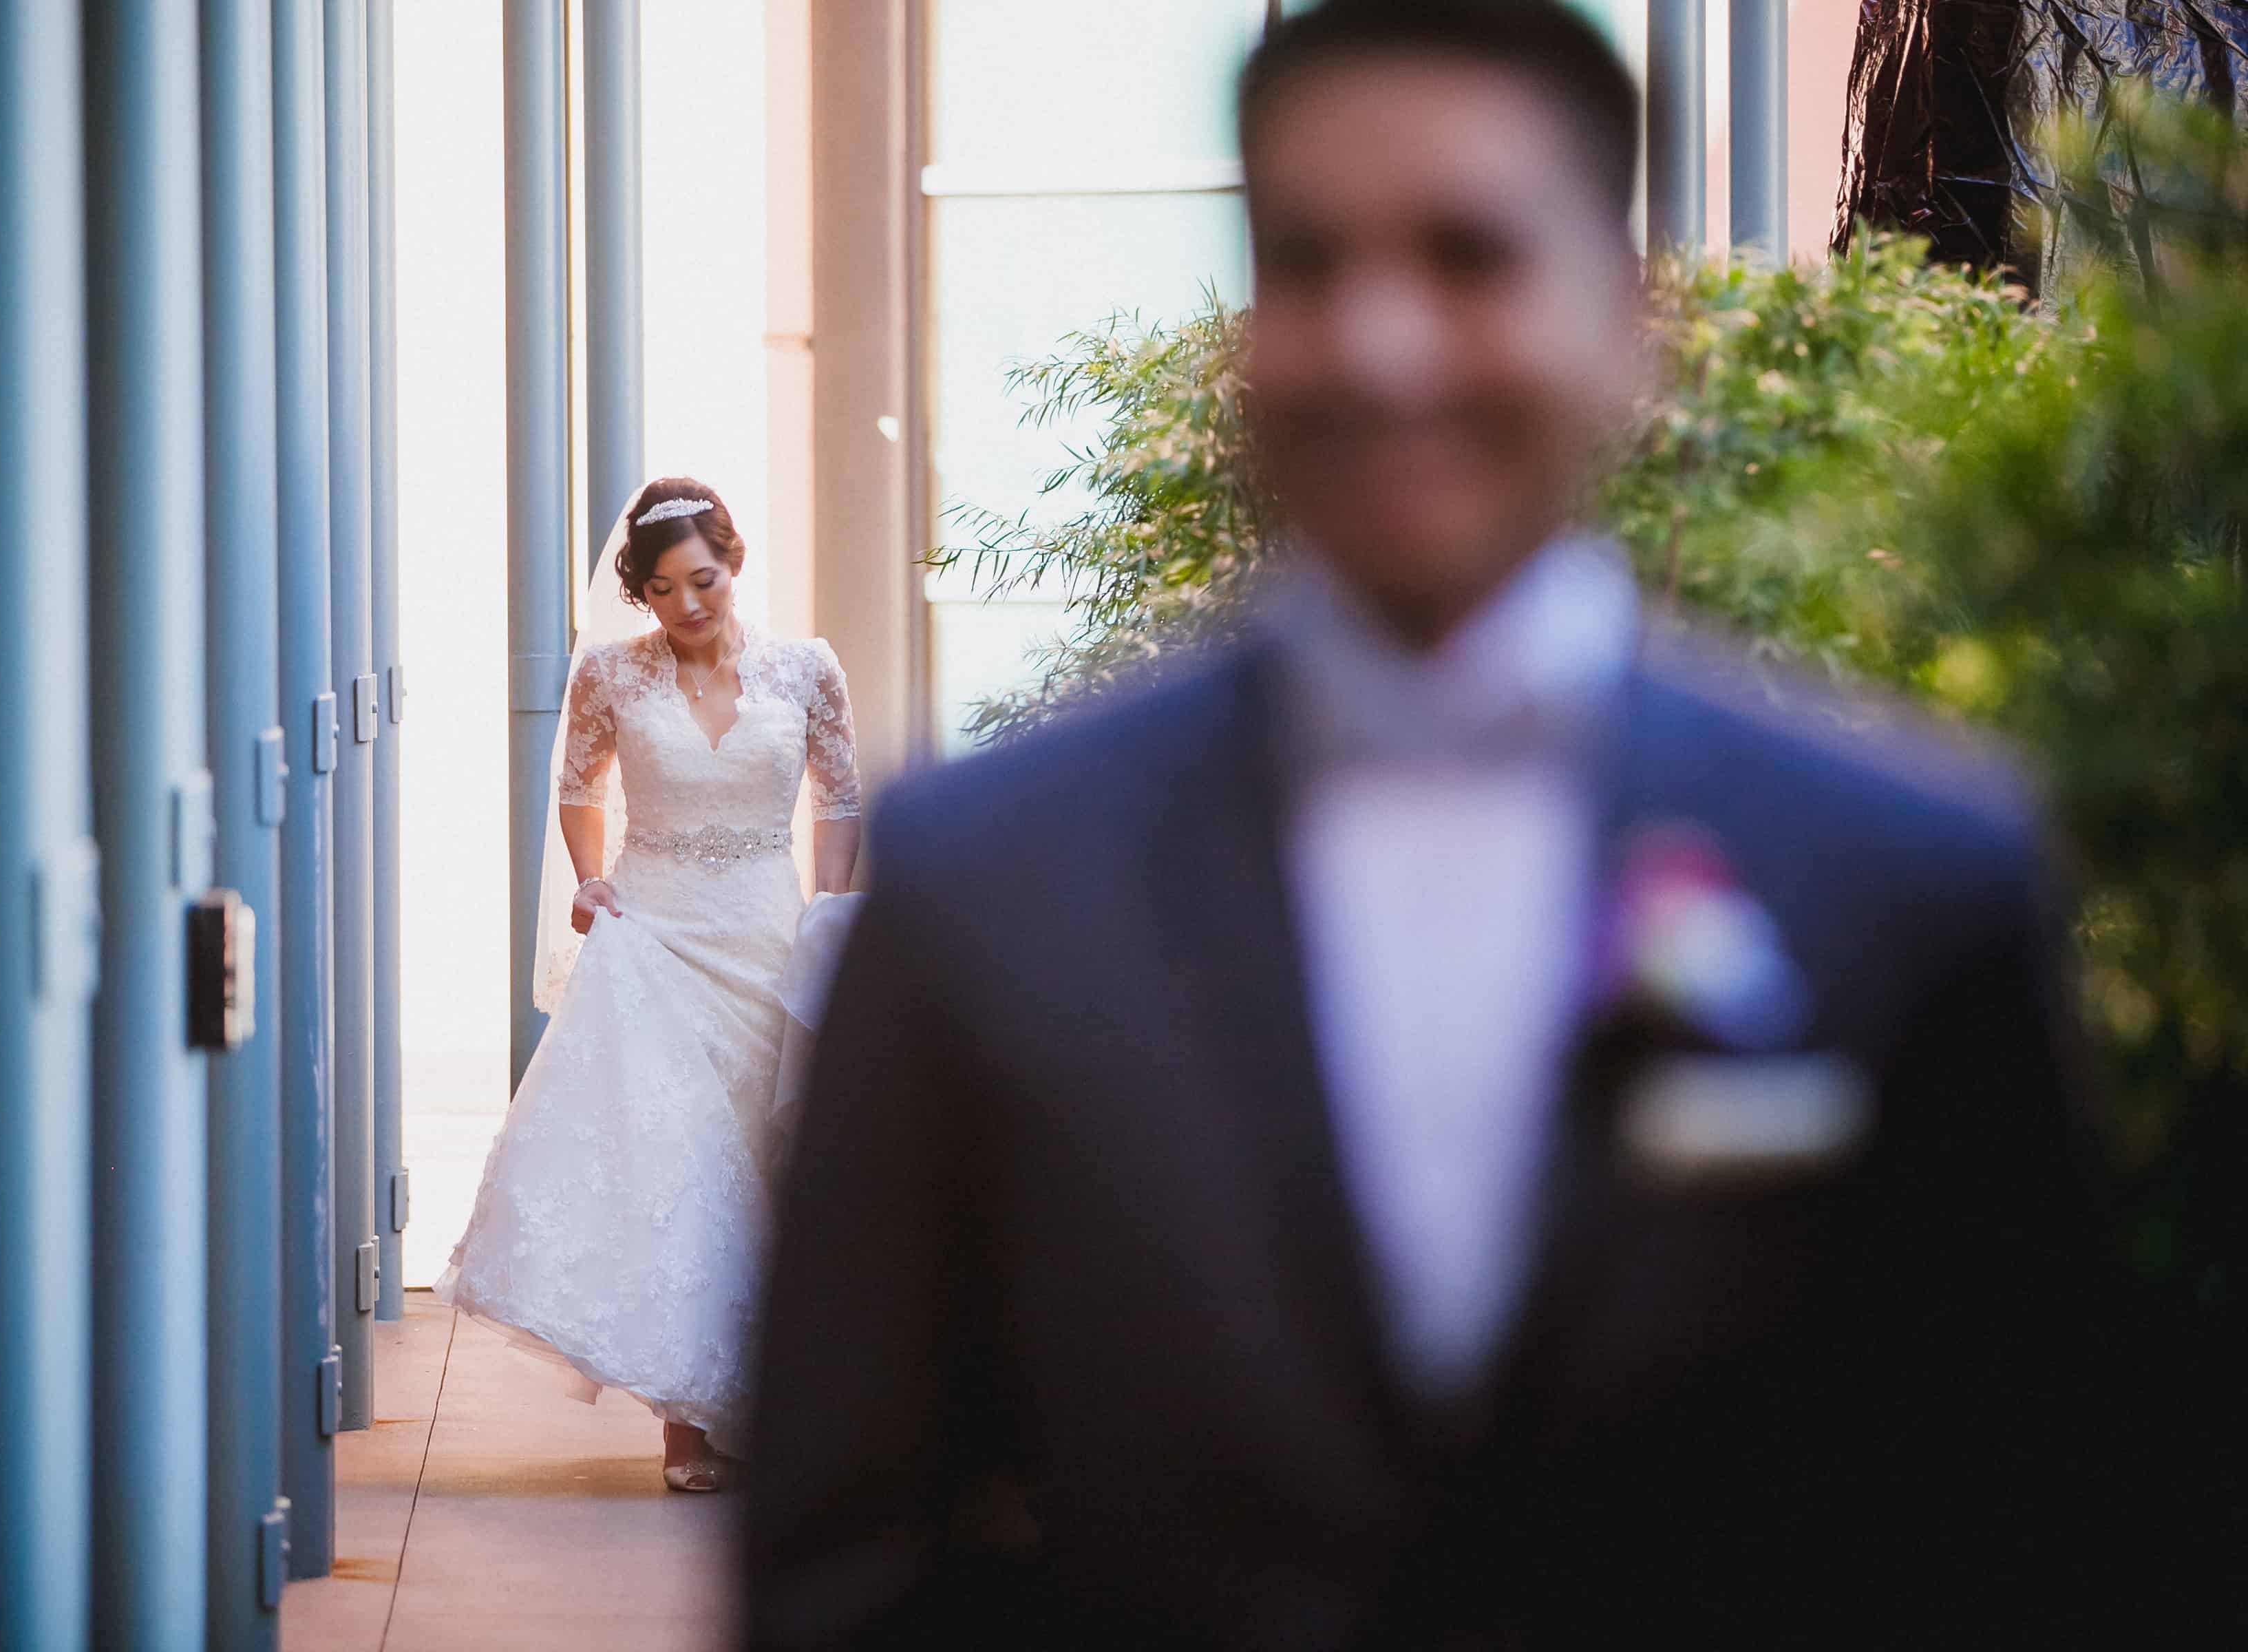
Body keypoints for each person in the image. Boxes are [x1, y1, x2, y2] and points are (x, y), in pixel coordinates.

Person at [743, 2, 2122, 1644]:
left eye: (1468, 257)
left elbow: (2028, 1527)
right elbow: (846, 1561)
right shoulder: (980, 887)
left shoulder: (1912, 877)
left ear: (1627, 319)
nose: (1382, 344)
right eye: (1314, 263)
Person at [439, 477, 861, 1494]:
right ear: (642, 597)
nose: (688, 606)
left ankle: (776, 1400)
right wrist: (590, 879)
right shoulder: (611, 677)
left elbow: (839, 795)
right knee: (679, 1170)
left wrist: (830, 910)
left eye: (703, 580)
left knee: (766, 1164)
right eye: (664, 590)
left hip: (765, 936)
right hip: (655, 933)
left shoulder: (807, 670)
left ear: (734, 562)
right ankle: (686, 1421)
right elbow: (578, 787)